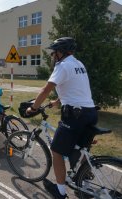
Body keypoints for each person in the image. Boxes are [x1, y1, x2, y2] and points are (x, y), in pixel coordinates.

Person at [26, 37, 97, 199]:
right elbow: (75, 88)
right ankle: (83, 183)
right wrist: (56, 102)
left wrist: (34, 108)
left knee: (57, 151)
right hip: (90, 112)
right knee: (82, 149)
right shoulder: (79, 64)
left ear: (61, 52)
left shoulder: (63, 66)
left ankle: (60, 192)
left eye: (54, 53)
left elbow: (45, 90)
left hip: (75, 116)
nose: (53, 56)